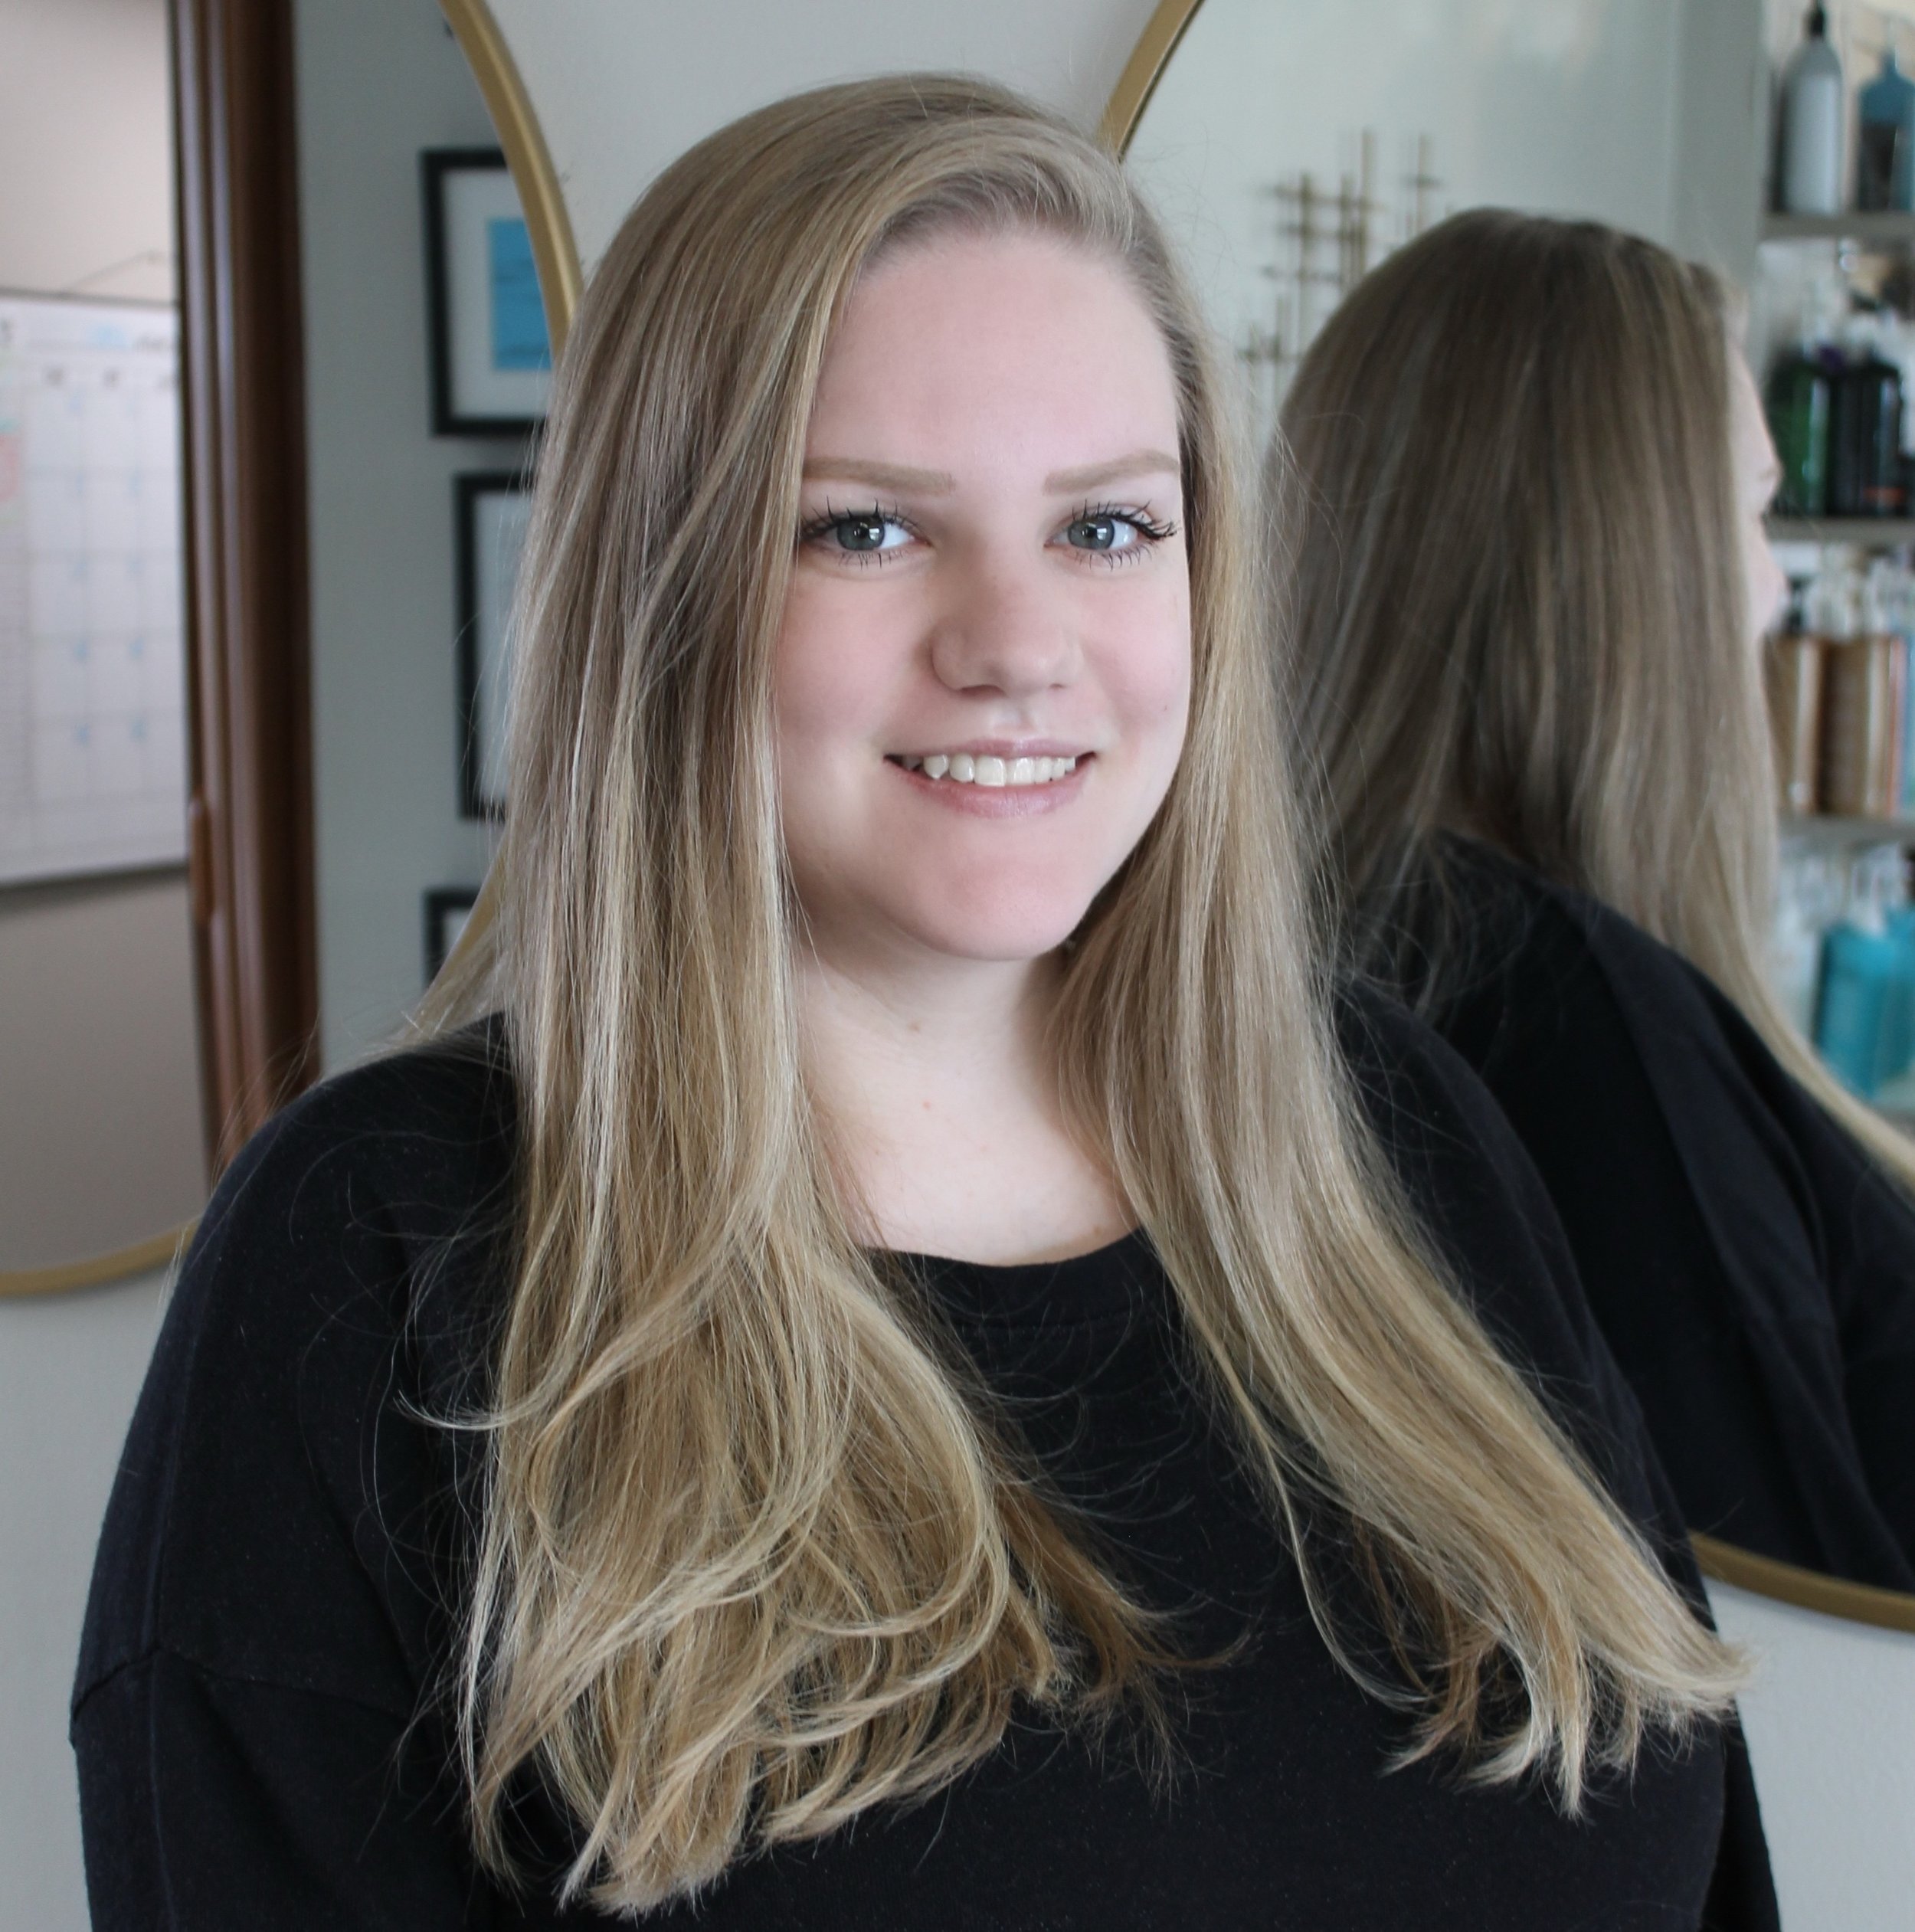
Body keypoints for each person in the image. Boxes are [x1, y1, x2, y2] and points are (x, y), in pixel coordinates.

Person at [74, 87, 1766, 1927]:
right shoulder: (380, 1262)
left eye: (1106, 526)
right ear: (661, 586)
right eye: (866, 530)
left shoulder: (1401, 1133)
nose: (1016, 644)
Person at [1279, 207, 1915, 1593]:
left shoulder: (1339, 951)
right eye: (1753, 510)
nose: (1775, 589)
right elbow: (1795, 1601)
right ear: (1637, 565)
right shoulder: (1585, 1022)